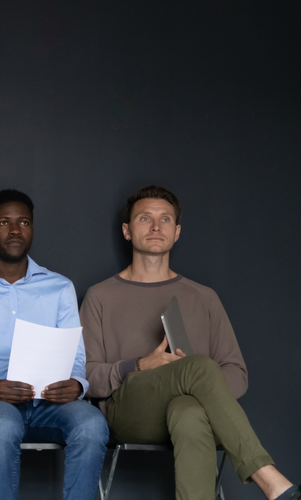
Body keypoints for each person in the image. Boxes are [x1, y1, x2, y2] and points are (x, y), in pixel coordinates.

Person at [81, 186, 299, 500]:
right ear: (127, 231)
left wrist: (193, 384)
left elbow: (236, 372)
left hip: (190, 410)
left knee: (189, 411)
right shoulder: (100, 296)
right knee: (196, 366)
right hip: (128, 413)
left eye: (165, 219)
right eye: (145, 218)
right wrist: (140, 365)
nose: (156, 227)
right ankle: (269, 479)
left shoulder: (204, 297)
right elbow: (85, 376)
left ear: (177, 231)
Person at [0, 189, 108, 500]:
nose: (16, 230)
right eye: (4, 222)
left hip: (50, 406)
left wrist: (76, 384)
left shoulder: (60, 287)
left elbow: (75, 355)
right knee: (3, 425)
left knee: (91, 424)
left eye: (24, 222)